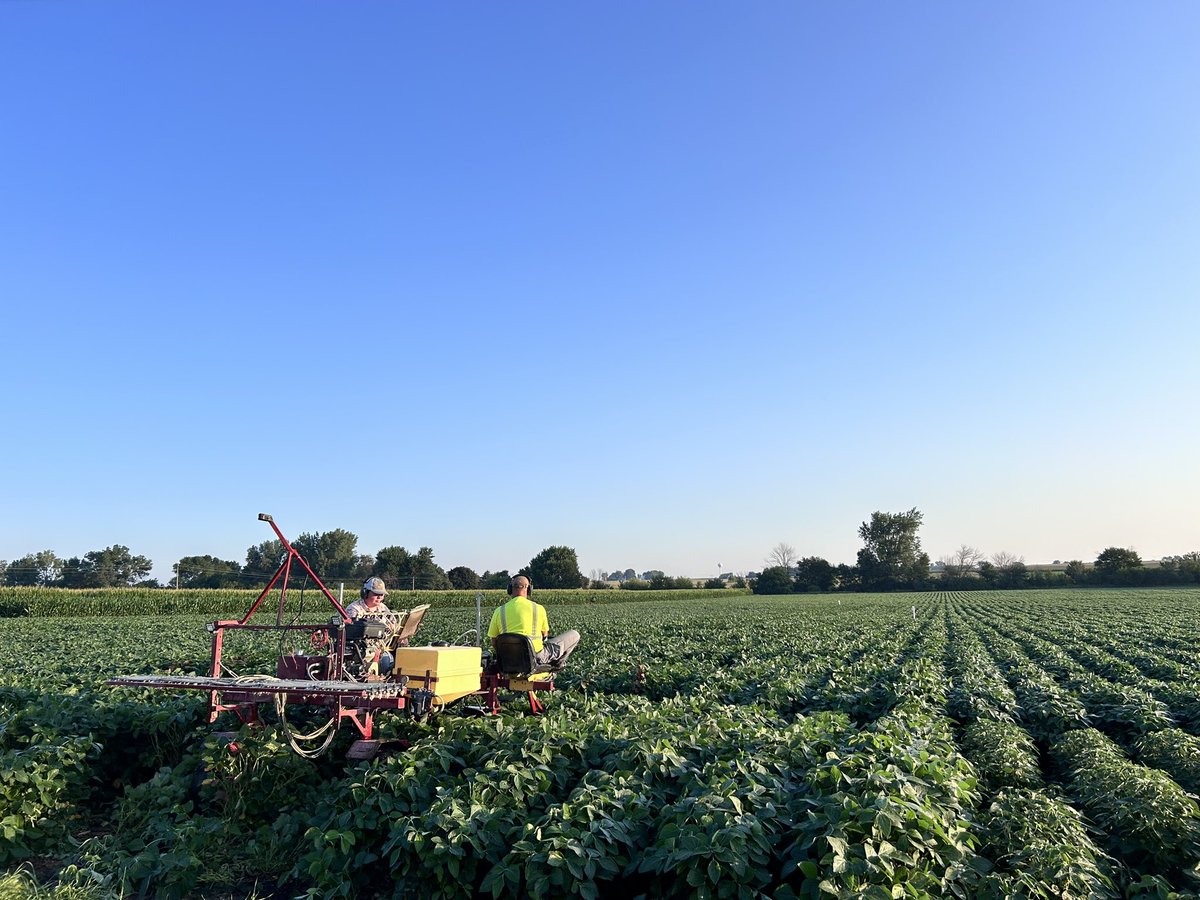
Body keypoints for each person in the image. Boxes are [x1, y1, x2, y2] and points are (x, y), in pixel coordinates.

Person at [487, 574, 579, 671]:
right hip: (536, 658)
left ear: (510, 589)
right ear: (529, 589)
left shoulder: (499, 611)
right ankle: (556, 665)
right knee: (575, 634)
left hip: (509, 660)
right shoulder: (538, 608)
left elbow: (494, 642)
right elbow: (545, 636)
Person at [345, 576, 395, 675]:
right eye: (376, 594)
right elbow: (351, 632)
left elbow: (392, 622)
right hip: (359, 650)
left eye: (382, 594)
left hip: (380, 647)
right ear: (365, 593)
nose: (380, 597)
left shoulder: (383, 608)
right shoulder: (354, 609)